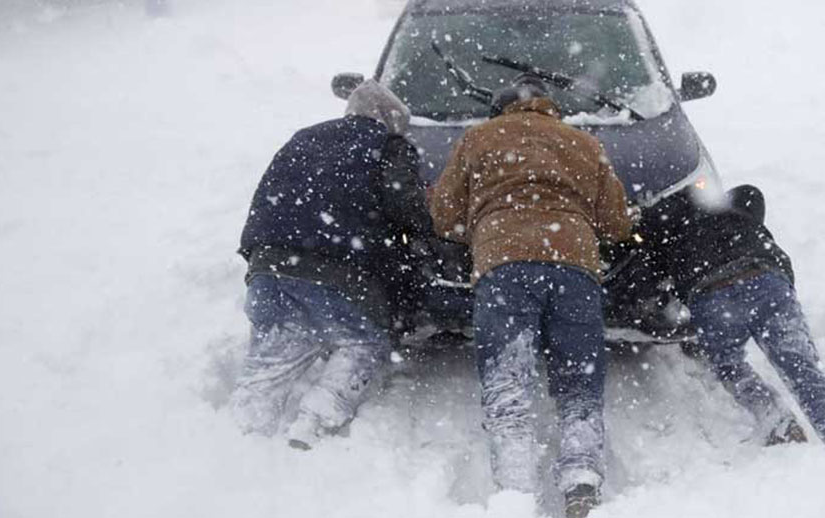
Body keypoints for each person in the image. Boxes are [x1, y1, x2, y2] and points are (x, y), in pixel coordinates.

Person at [428, 74, 633, 517]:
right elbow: (616, 223)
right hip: (575, 264)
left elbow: (444, 216)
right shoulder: (583, 143)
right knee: (580, 381)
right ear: (549, 107)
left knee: (508, 385)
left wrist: (482, 226)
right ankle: (581, 482)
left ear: (502, 109)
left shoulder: (478, 138)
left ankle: (516, 493)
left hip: (504, 266)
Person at [632, 185, 825, 494]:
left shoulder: (656, 225)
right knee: (805, 377)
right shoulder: (728, 201)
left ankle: (777, 419)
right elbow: (752, 195)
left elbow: (644, 281)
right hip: (766, 279)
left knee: (728, 365)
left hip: (712, 294)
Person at [229, 80, 430, 450]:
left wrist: (261, 260)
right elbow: (407, 206)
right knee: (362, 342)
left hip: (268, 266)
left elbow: (265, 200)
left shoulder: (303, 138)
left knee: (277, 353)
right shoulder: (388, 145)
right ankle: (313, 423)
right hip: (337, 270)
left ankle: (242, 438)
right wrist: (425, 232)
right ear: (390, 120)